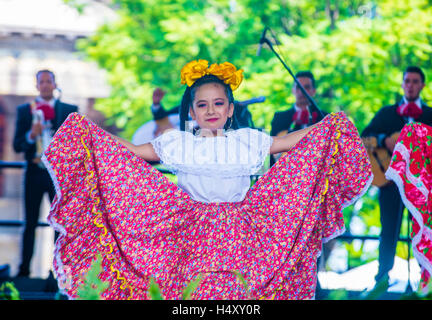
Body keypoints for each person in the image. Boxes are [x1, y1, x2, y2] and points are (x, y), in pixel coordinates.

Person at [42, 59, 372, 300]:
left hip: (242, 235)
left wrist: (328, 125)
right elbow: (132, 151)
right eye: (202, 105)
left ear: (230, 109)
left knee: (239, 294)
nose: (211, 110)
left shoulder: (248, 140)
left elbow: (287, 143)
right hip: (188, 234)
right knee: (190, 295)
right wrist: (89, 133)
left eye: (218, 104)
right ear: (192, 112)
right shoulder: (178, 143)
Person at [361, 66, 432, 285]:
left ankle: (425, 279)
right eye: (407, 81)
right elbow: (365, 136)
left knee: (424, 229)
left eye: (414, 81)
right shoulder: (387, 113)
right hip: (390, 182)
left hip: (421, 187)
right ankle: (382, 280)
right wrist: (384, 140)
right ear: (402, 84)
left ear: (422, 85)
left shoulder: (429, 115)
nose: (410, 85)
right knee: (388, 229)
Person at [13, 70, 78, 278]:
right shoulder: (25, 111)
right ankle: (24, 272)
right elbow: (17, 145)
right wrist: (31, 135)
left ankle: (58, 273)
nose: (45, 85)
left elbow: (76, 145)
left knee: (60, 224)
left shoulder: (69, 110)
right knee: (29, 222)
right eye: (42, 82)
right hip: (33, 172)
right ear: (36, 85)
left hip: (58, 176)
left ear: (54, 84)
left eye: (49, 81)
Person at [270, 71, 327, 165]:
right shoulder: (280, 117)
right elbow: (272, 151)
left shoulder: (324, 117)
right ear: (293, 90)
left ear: (314, 91)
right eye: (298, 87)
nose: (301, 92)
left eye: (306, 87)